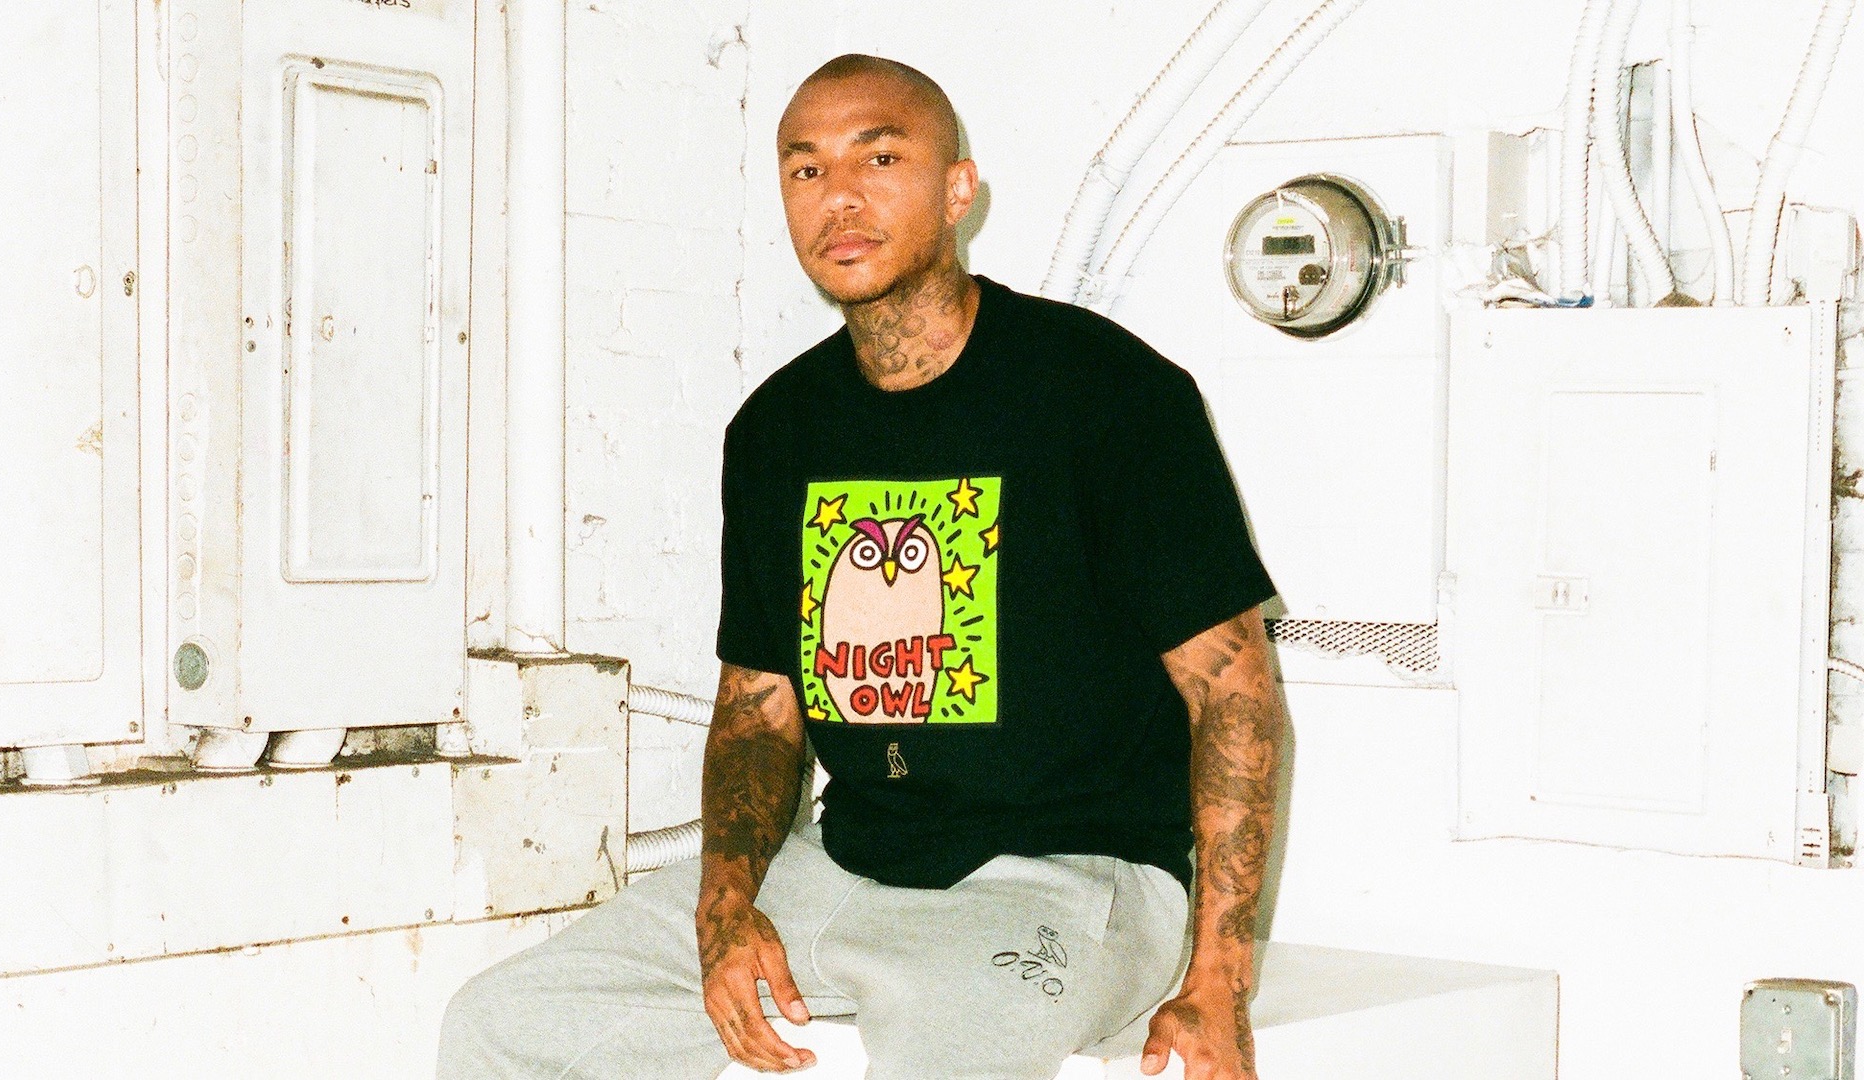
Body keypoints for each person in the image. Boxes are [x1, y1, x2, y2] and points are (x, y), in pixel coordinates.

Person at [437, 53, 1282, 1080]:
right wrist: (726, 905)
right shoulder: (778, 430)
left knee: (948, 1052)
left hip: (1071, 881)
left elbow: (1234, 692)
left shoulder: (1108, 394)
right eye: (806, 169)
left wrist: (1219, 978)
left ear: (957, 190)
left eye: (879, 159)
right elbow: (757, 711)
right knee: (506, 1022)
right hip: (847, 868)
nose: (839, 196)